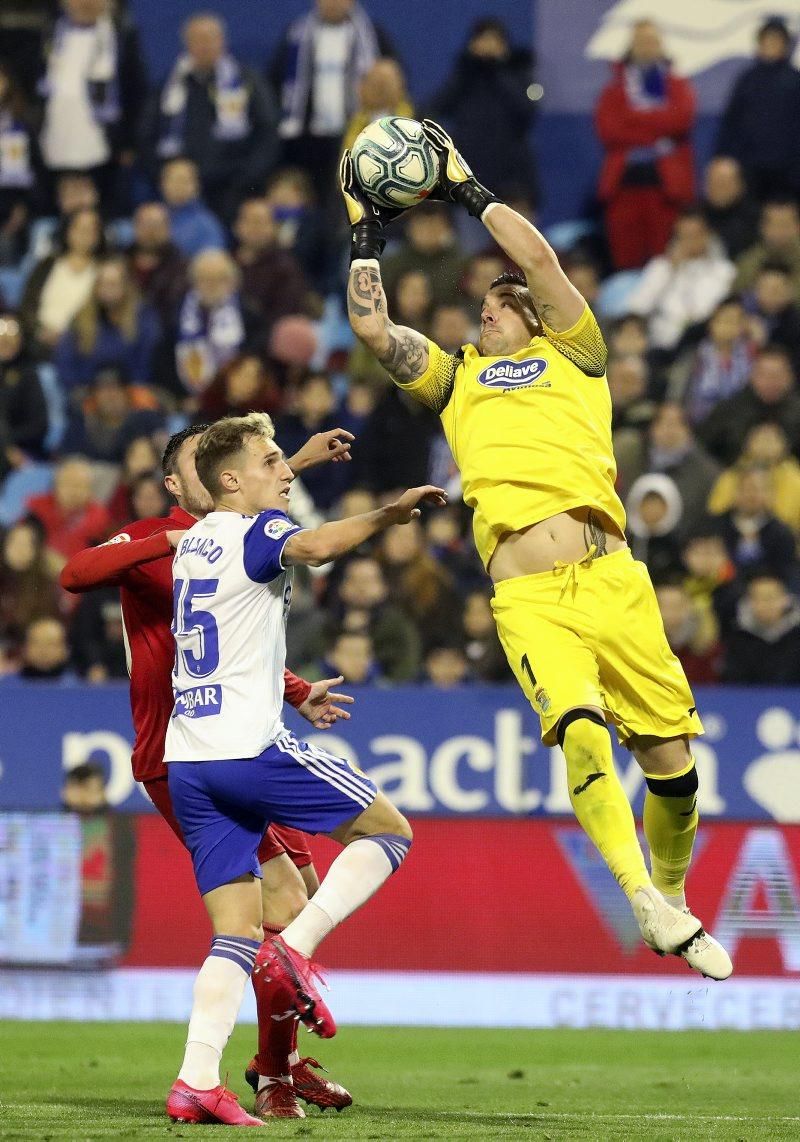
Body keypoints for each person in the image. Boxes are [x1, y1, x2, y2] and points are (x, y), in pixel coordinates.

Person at [341, 119, 732, 979]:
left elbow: (545, 266)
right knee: (583, 733)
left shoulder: (578, 355)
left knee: (673, 767)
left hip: (613, 580)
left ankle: (669, 894)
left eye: (498, 303)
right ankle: (638, 896)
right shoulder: (455, 381)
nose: (483, 310)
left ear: (532, 314)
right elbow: (372, 327)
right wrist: (366, 230)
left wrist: (467, 189)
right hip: (528, 595)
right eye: (480, 306)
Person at [60, 420, 358, 1119]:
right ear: (178, 483)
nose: (234, 471)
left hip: (241, 742)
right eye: (210, 462)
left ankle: (272, 1068)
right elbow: (74, 574)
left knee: (304, 897)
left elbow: (231, 634)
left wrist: (295, 691)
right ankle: (262, 1072)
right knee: (281, 910)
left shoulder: (233, 539)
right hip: (181, 754)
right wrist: (162, 540)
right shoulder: (155, 538)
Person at [162, 412, 443, 1125]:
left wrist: (296, 466)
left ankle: (197, 1080)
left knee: (234, 931)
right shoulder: (257, 532)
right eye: (271, 461)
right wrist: (389, 512)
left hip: (188, 758)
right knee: (388, 832)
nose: (284, 472)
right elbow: (313, 546)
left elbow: (242, 518)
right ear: (231, 480)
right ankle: (296, 956)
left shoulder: (191, 541)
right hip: (248, 747)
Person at [144, 12, 278, 222]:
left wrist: (246, 178)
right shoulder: (171, 86)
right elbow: (147, 133)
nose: (204, 46)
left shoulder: (246, 82)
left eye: (210, 39)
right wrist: (162, 176)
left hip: (232, 188)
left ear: (222, 41)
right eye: (197, 40)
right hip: (178, 191)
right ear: (186, 44)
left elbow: (268, 132)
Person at [594, 20, 696, 270]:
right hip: (624, 186)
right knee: (626, 259)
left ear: (662, 46)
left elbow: (680, 120)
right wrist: (657, 131)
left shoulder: (678, 86)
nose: (647, 48)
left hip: (665, 189)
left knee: (665, 260)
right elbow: (609, 130)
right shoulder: (614, 90)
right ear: (631, 46)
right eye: (641, 42)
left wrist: (633, 121)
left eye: (652, 42)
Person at [36, 0, 148, 211]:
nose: (86, 3)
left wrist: (129, 142)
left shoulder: (120, 36)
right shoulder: (51, 33)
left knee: (103, 211)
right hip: (55, 143)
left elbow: (136, 92)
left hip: (104, 146)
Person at [429, 18, 537, 203]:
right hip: (469, 179)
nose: (488, 46)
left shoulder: (517, 73)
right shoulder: (465, 74)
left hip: (511, 182)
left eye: (494, 40)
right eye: (483, 40)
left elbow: (526, 112)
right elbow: (437, 107)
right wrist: (470, 65)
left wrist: (498, 67)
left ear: (505, 46)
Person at [626, 209, 735, 354]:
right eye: (683, 236)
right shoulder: (660, 267)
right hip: (659, 343)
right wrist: (670, 271)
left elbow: (715, 313)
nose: (689, 241)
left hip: (702, 344)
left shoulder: (724, 271)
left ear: (708, 235)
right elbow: (637, 308)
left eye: (695, 235)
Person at [716, 17, 800, 202]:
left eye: (776, 40)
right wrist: (724, 155)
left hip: (789, 170)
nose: (771, 45)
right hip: (750, 168)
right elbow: (732, 121)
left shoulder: (795, 80)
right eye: (767, 40)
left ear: (785, 45)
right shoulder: (747, 79)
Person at [53, 254, 161, 392]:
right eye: (102, 283)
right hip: (87, 395)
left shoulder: (144, 318)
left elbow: (147, 364)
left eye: (113, 284)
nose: (107, 289)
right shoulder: (80, 319)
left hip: (132, 395)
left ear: (126, 286)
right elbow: (65, 362)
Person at [721, 572, 800, 684]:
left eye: (771, 597)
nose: (766, 604)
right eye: (759, 598)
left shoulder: (796, 637)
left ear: (785, 599)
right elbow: (732, 682)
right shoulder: (738, 639)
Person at [158, 157, 227, 260]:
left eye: (185, 181)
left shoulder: (207, 224)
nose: (179, 186)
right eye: (174, 180)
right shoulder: (151, 216)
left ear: (196, 186)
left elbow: (211, 264)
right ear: (162, 184)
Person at [734, 199, 800, 304]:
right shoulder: (748, 261)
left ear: (797, 227)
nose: (780, 231)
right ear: (763, 228)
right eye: (774, 225)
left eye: (785, 225)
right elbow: (737, 296)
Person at [700, 157, 759, 260]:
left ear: (740, 185)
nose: (717, 189)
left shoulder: (755, 219)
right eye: (713, 183)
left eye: (723, 184)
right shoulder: (696, 215)